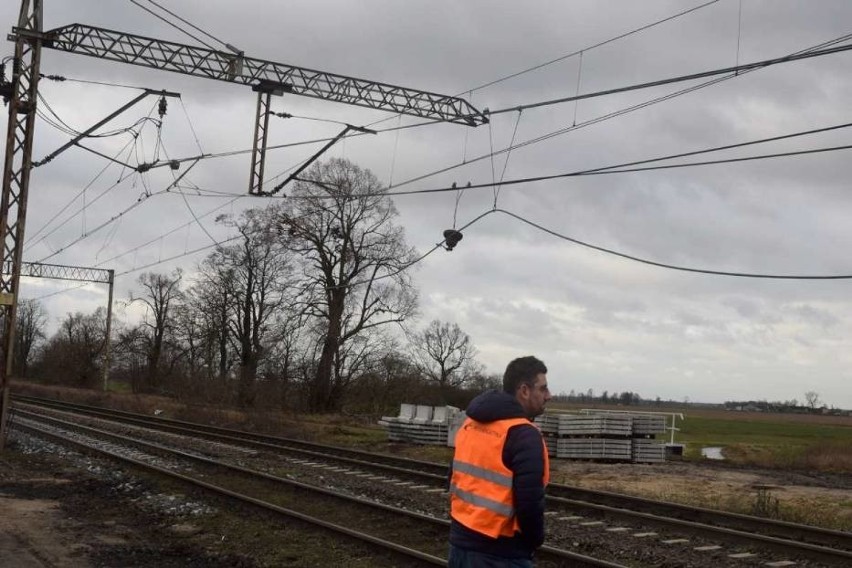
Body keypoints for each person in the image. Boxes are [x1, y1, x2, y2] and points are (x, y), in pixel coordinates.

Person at [449, 355, 552, 568]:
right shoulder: (523, 435)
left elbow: (454, 478)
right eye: (543, 388)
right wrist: (533, 541)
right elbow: (530, 503)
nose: (548, 395)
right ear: (524, 390)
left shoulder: (470, 423)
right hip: (502, 554)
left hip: (460, 543)